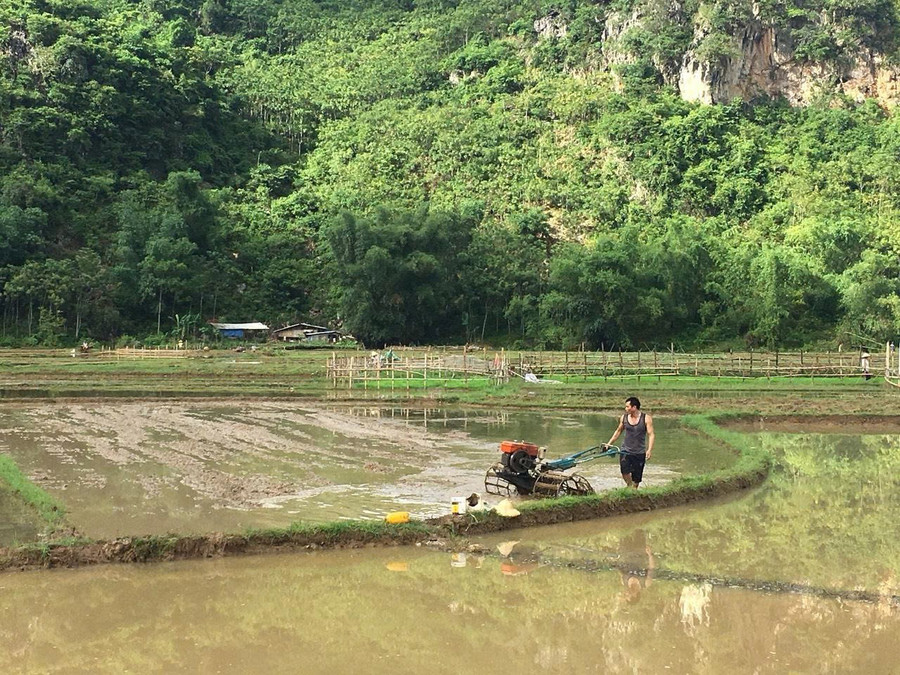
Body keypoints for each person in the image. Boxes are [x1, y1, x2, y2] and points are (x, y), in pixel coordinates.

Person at [605, 396, 655, 489]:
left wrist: (649, 450)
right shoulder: (624, 418)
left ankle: (633, 490)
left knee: (637, 478)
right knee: (624, 472)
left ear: (634, 407)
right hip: (625, 450)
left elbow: (651, 434)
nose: (626, 409)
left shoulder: (646, 418)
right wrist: (609, 443)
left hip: (639, 452)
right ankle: (629, 486)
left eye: (627, 407)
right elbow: (618, 431)